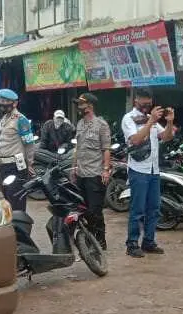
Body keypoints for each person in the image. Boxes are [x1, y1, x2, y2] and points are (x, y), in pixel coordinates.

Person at [122, 88, 174, 258]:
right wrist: (151, 120)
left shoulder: (151, 119)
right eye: (144, 102)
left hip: (154, 170)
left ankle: (148, 242)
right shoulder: (129, 118)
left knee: (154, 209)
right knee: (137, 209)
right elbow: (135, 140)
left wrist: (169, 122)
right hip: (138, 170)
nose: (147, 105)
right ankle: (132, 244)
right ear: (136, 100)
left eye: (149, 102)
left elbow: (166, 137)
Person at [72, 93, 111, 250]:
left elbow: (106, 149)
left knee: (95, 210)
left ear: (90, 106)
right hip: (81, 173)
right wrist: (74, 167)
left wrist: (106, 170)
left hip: (95, 174)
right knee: (84, 210)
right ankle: (90, 239)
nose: (79, 107)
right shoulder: (80, 124)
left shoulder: (101, 125)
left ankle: (100, 240)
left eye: (81, 104)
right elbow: (77, 148)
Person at [0, 88, 36, 212]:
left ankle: (19, 224)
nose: (3, 103)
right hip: (3, 166)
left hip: (15, 166)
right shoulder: (4, 119)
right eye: (1, 101)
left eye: (6, 101)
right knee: (6, 200)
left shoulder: (21, 119)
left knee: (16, 200)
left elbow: (29, 143)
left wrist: (29, 163)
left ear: (15, 103)